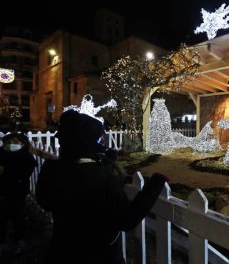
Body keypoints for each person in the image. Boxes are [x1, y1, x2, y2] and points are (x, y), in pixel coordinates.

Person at [35, 110, 168, 264]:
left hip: (61, 251)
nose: (103, 144)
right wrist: (155, 184)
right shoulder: (103, 179)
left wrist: (107, 167)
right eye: (100, 140)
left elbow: (47, 200)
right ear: (88, 142)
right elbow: (127, 219)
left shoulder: (52, 169)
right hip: (101, 255)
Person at [0, 133, 37, 257]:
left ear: (22, 143)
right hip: (2, 191)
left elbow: (28, 170)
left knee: (18, 216)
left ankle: (19, 241)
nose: (12, 144)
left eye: (15, 142)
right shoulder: (1, 154)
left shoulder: (25, 155)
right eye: (9, 142)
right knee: (2, 216)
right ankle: (2, 242)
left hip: (18, 191)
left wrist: (12, 174)